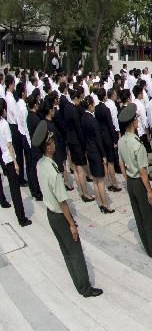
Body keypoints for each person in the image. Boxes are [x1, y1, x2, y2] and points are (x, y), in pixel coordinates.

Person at [33, 121, 102, 297]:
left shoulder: (40, 164)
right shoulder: (52, 170)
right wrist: (71, 223)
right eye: (51, 142)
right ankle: (85, 287)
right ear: (47, 147)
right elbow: (62, 201)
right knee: (75, 251)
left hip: (51, 214)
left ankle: (79, 284)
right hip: (60, 215)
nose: (54, 144)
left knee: (66, 251)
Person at [118, 103, 152, 259]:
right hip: (140, 182)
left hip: (131, 181)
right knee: (148, 217)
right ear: (133, 122)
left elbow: (121, 164)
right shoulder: (137, 145)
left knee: (139, 216)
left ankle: (147, 246)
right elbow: (142, 171)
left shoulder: (122, 141)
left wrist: (128, 180)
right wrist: (149, 190)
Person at [80, 95, 114, 214]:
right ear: (89, 105)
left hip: (89, 150)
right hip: (95, 151)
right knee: (100, 180)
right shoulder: (92, 120)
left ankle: (100, 202)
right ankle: (105, 204)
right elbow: (98, 139)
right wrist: (103, 155)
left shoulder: (83, 118)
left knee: (95, 179)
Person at [0, 99, 30, 225]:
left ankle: (2, 200)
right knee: (15, 189)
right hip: (8, 158)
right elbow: (9, 145)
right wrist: (16, 163)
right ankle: (21, 218)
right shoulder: (4, 124)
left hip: (1, 157)